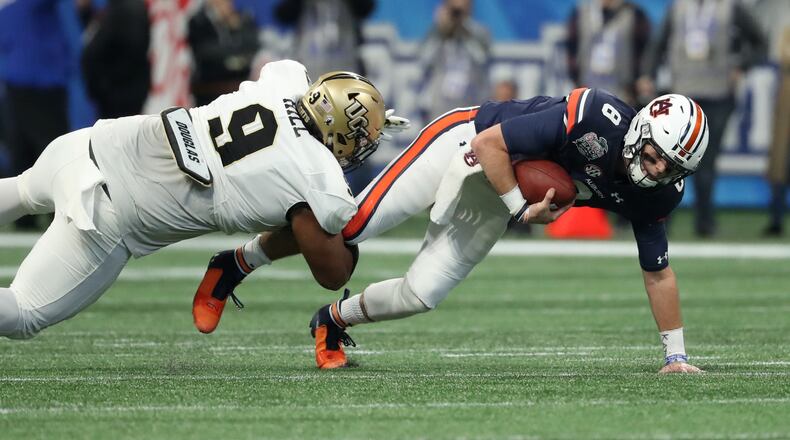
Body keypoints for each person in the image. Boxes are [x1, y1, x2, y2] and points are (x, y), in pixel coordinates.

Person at [192, 87, 709, 374]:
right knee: (348, 226)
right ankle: (235, 264)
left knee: (424, 293)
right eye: (654, 156)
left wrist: (676, 356)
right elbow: (489, 146)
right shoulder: (595, 116)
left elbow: (658, 273)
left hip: (501, 193)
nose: (658, 171)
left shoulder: (658, 193)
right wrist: (520, 208)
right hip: (466, 143)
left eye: (672, 167)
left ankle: (331, 319)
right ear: (639, 130)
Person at [0, 59, 407, 339]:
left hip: (88, 143)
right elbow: (333, 274)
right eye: (361, 139)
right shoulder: (318, 177)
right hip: (105, 212)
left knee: (20, 190)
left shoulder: (282, 82)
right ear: (339, 132)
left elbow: (291, 77)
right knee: (23, 314)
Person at [637, 0, 767, 237]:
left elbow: (760, 42)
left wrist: (741, 66)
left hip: (718, 95)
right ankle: (663, 218)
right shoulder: (678, 8)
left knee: (706, 162)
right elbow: (657, 45)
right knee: (670, 158)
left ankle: (705, 223)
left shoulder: (730, 8)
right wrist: (648, 74)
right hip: (682, 97)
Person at [0, 0, 73, 230]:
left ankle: (27, 216)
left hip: (25, 74)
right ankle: (60, 212)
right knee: (48, 147)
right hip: (37, 77)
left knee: (26, 147)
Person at [567, 0, 652, 107]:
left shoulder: (634, 14)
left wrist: (640, 79)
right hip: (588, 89)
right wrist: (576, 80)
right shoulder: (581, 12)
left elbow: (645, 51)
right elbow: (571, 49)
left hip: (623, 92)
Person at [418, 0, 491, 122]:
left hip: (469, 102)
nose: (457, 12)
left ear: (470, 7)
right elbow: (424, 59)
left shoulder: (479, 32)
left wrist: (464, 28)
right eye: (453, 8)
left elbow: (482, 59)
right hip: (439, 103)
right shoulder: (437, 31)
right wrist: (441, 31)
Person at [81, 0, 151, 118]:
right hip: (115, 96)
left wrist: (104, 87)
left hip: (121, 98)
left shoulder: (127, 9)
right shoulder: (115, 8)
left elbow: (130, 53)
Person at [188, 0, 260, 106]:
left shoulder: (243, 18)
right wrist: (235, 51)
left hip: (240, 82)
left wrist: (234, 30)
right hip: (210, 87)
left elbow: (253, 45)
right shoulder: (198, 21)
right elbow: (204, 51)